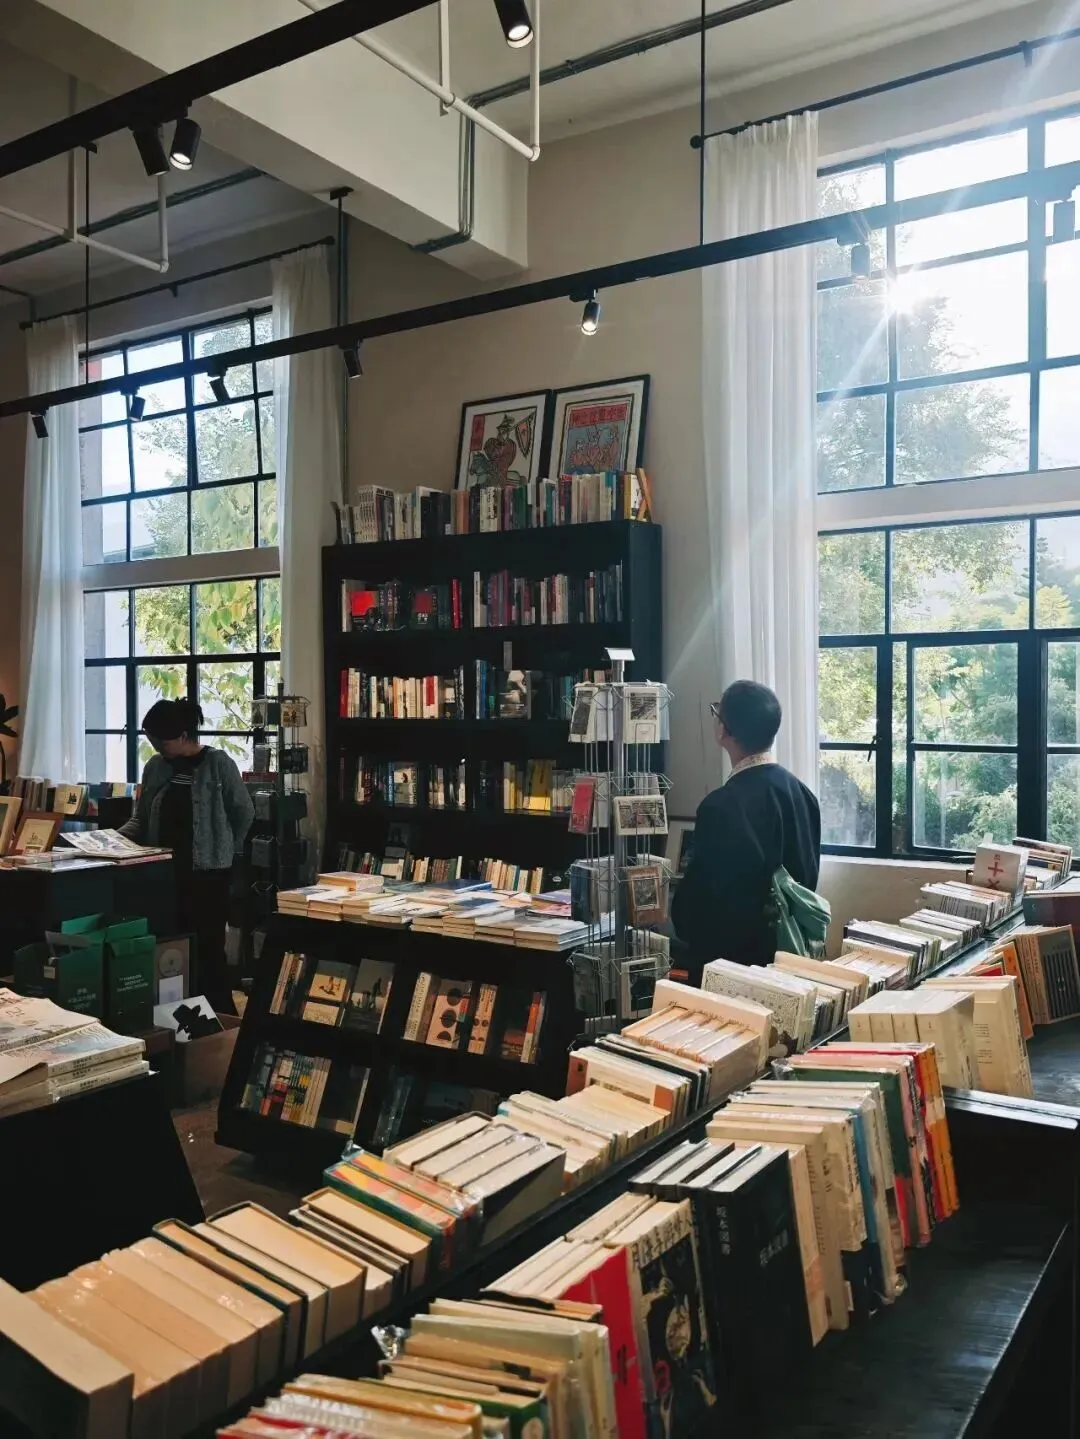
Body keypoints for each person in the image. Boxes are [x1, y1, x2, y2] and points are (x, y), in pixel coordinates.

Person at [671, 680, 820, 980]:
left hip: (732, 969)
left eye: (717, 712)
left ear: (724, 730)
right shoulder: (803, 794)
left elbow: (699, 904)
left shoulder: (720, 806)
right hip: (791, 959)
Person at [121, 698, 254, 1015]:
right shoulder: (155, 767)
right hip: (163, 874)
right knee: (169, 948)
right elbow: (141, 818)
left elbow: (243, 813)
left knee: (208, 947)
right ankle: (172, 1018)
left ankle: (219, 1018)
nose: (156, 747)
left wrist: (226, 849)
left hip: (209, 875)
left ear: (183, 735)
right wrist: (111, 839)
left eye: (161, 740)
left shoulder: (218, 764)